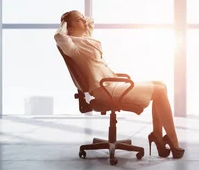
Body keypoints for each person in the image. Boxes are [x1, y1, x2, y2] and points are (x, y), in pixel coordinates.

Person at [54, 10, 185, 159]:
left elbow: (90, 22)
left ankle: (158, 136)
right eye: (79, 20)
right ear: (69, 28)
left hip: (111, 84)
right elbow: (58, 36)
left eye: (82, 18)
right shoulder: (72, 47)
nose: (84, 21)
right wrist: (64, 23)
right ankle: (172, 141)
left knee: (161, 85)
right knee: (160, 91)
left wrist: (78, 18)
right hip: (106, 89)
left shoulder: (84, 39)